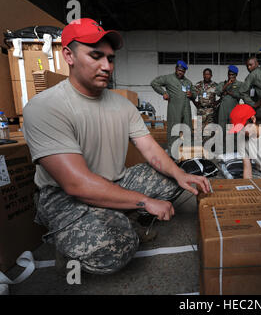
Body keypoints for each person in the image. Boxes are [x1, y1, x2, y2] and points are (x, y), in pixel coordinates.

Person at [22, 18, 210, 275]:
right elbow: (76, 185)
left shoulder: (122, 104)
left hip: (116, 182)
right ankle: (72, 242)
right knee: (118, 247)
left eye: (110, 59)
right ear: (68, 55)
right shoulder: (45, 107)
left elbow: (151, 150)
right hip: (65, 198)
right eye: (96, 56)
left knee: (174, 178)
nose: (106, 66)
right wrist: (144, 202)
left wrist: (181, 174)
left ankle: (116, 214)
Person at [151, 60, 197, 153]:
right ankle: (172, 152)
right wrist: (163, 93)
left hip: (186, 110)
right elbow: (154, 83)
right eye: (179, 70)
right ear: (176, 69)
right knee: (174, 130)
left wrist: (191, 94)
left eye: (183, 71)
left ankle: (188, 151)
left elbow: (195, 94)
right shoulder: (168, 78)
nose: (181, 72)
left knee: (188, 129)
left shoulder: (188, 82)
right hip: (174, 109)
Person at [216, 66, 243, 145]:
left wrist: (230, 93)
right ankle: (222, 147)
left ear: (236, 75)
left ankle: (234, 147)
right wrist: (227, 85)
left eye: (233, 75)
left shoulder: (240, 84)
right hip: (223, 109)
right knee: (222, 127)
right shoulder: (222, 83)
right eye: (229, 74)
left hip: (234, 108)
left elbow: (241, 95)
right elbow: (218, 93)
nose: (231, 76)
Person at [194, 68, 218, 145]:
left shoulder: (215, 85)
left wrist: (217, 102)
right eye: (205, 74)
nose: (206, 76)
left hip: (211, 111)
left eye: (208, 74)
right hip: (200, 110)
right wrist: (195, 103)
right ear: (203, 75)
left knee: (210, 130)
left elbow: (222, 94)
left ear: (211, 75)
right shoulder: (198, 85)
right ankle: (199, 149)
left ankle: (209, 148)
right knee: (199, 130)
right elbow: (192, 95)